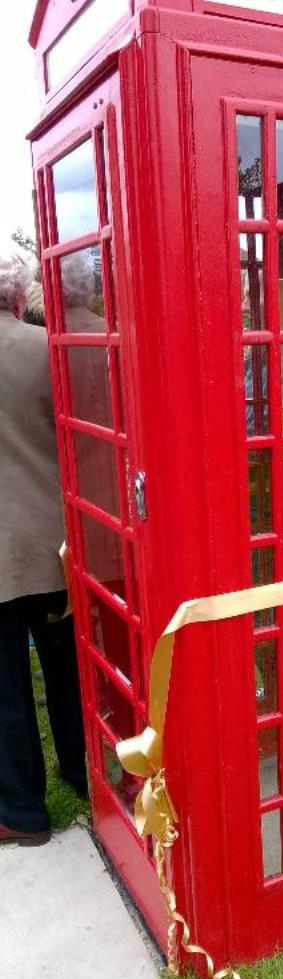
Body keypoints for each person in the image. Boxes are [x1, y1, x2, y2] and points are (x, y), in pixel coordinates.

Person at [0, 249, 86, 846]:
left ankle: (22, 814)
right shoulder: (45, 351)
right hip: (55, 542)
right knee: (68, 668)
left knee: (5, 688)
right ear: (18, 294)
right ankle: (85, 775)